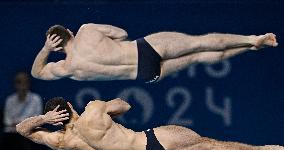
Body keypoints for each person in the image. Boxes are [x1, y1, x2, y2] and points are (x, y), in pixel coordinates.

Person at [16, 97, 284, 150]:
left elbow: (21, 129)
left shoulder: (61, 141)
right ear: (71, 107)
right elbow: (125, 104)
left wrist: (42, 119)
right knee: (210, 145)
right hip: (151, 140)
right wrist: (108, 109)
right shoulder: (93, 111)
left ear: (54, 120)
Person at [31, 24, 278, 83]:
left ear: (56, 46)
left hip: (144, 74)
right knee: (200, 43)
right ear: (70, 32)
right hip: (143, 49)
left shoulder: (68, 68)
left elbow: (37, 73)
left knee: (198, 58)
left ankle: (250, 48)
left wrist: (45, 50)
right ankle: (251, 39)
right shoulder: (86, 30)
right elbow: (122, 32)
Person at [1, 72, 44, 150]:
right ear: (15, 84)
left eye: (24, 82)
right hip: (10, 135)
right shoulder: (10, 100)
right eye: (19, 82)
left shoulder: (36, 99)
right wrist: (20, 123)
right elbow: (7, 120)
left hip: (29, 135)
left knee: (20, 141)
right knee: (17, 141)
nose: (22, 85)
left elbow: (37, 120)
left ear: (29, 84)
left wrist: (19, 123)